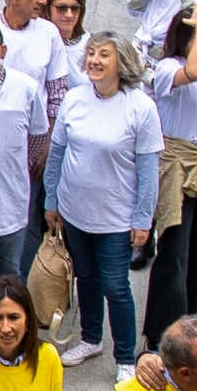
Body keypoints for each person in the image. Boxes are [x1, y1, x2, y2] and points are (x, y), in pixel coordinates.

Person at [44, 31, 161, 364]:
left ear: (121, 61)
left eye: (103, 54)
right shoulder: (75, 99)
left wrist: (143, 219)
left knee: (116, 287)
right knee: (86, 280)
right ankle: (90, 338)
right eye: (91, 53)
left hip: (116, 218)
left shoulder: (141, 107)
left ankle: (125, 358)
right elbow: (57, 153)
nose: (94, 60)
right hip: (75, 212)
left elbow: (149, 170)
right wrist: (51, 201)